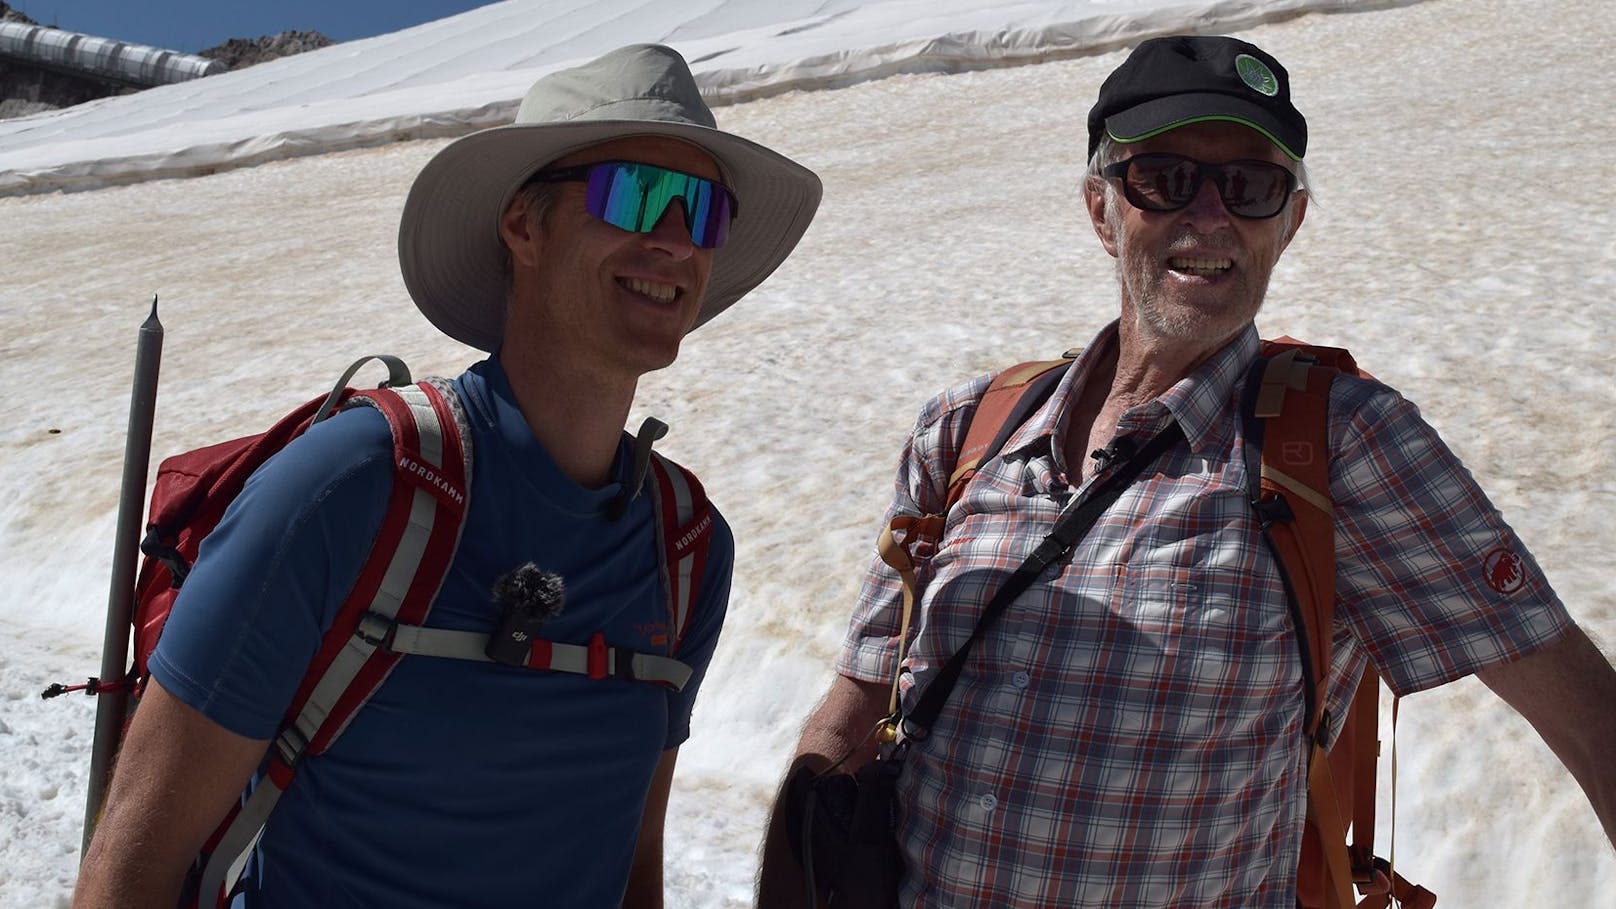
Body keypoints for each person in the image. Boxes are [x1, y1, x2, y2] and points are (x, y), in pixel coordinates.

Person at [758, 34, 1615, 908]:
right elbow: (858, 697)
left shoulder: (1344, 446)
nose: (1210, 218)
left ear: (1290, 221)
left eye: (1250, 187)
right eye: (1164, 179)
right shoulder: (968, 429)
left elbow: (1591, 720)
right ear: (1100, 208)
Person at [74, 43, 821, 909]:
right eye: (639, 194)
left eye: (707, 214)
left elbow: (630, 858)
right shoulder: (352, 485)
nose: (677, 240)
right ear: (523, 225)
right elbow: (137, 853)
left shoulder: (688, 546)